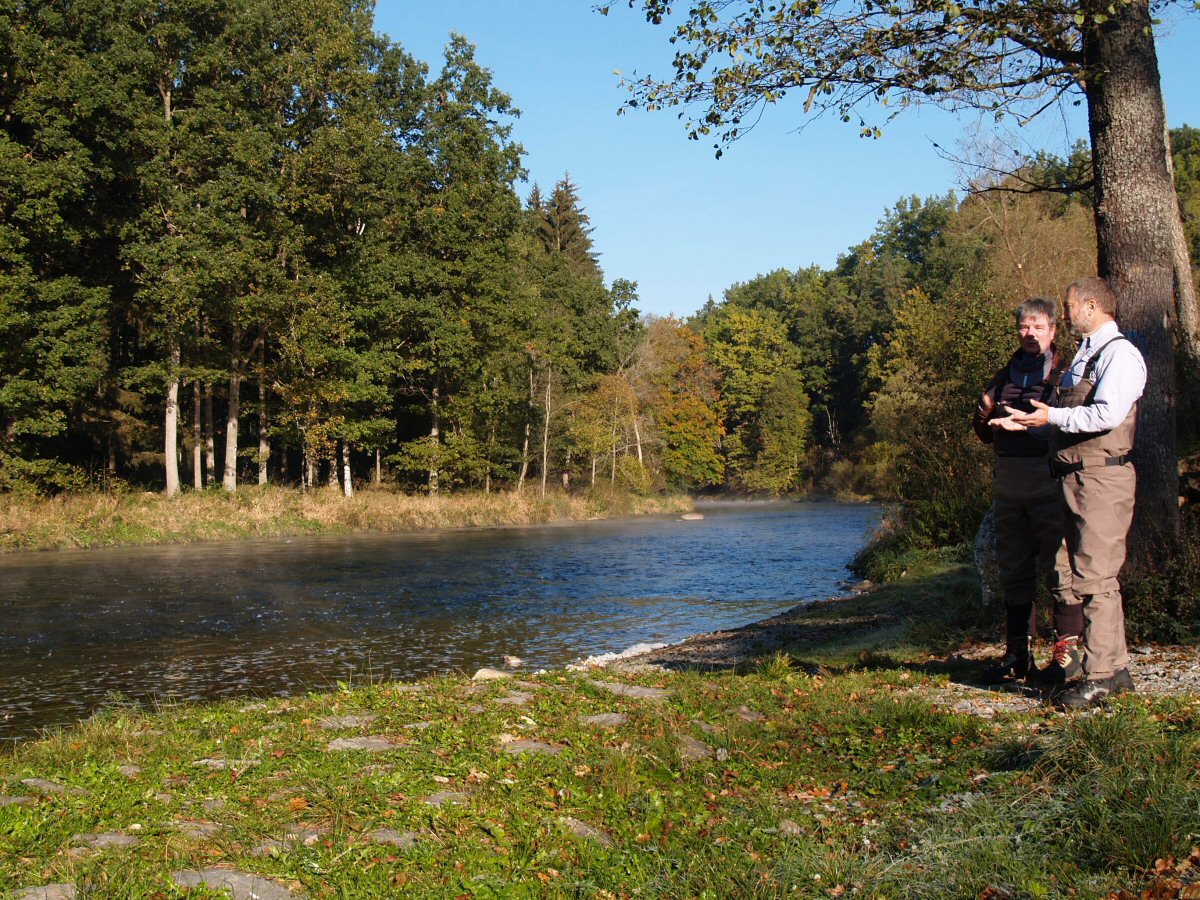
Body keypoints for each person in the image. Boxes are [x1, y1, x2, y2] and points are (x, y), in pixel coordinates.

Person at [993, 276, 1146, 708]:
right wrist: (1025, 422)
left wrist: (1050, 420)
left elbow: (1106, 414)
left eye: (1069, 306)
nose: (1065, 313)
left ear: (1092, 306)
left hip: (1102, 477)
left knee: (1097, 578)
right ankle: (1108, 671)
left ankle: (1103, 675)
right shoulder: (1086, 354)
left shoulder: (1120, 356)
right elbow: (1062, 413)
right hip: (1074, 477)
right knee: (1087, 576)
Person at [972, 298, 1075, 684]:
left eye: (1038, 327)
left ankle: (1068, 653)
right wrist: (984, 412)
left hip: (1049, 476)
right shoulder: (1005, 373)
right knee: (1013, 568)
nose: (1029, 334)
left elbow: (1076, 425)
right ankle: (1017, 654)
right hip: (1009, 480)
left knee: (1059, 567)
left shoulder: (1065, 372)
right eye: (1023, 327)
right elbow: (982, 433)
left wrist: (1032, 427)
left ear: (1052, 330)